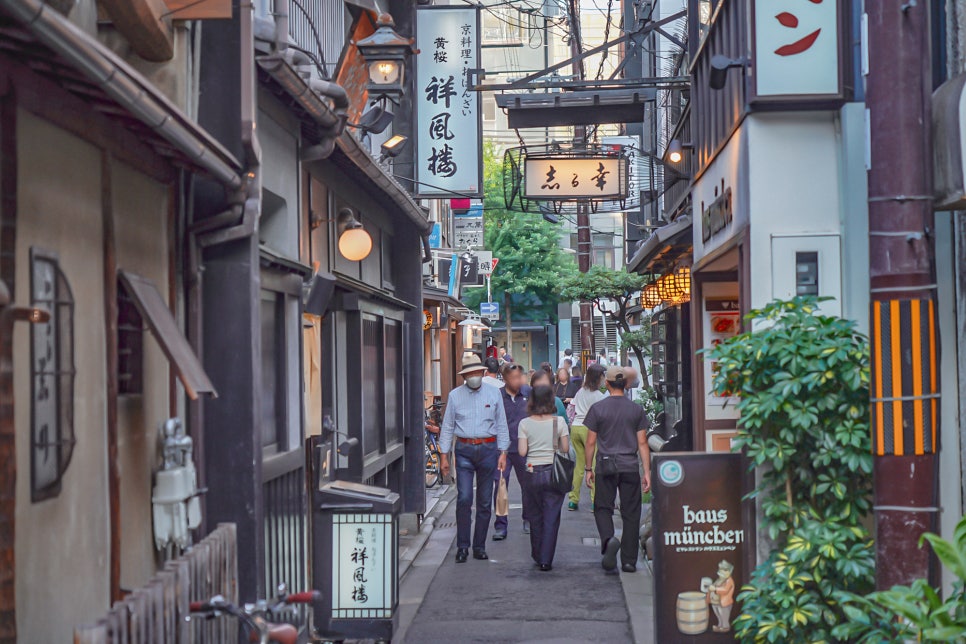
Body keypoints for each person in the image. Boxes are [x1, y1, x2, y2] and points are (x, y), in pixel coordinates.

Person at [439, 354, 510, 563]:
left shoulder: (494, 394)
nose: (473, 377)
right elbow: (447, 426)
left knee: (485, 501)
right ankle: (462, 546)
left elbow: (501, 424)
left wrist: (503, 452)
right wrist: (444, 456)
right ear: (464, 375)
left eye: (476, 373)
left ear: (482, 372)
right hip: (464, 449)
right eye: (469, 373)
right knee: (464, 498)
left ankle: (479, 545)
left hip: (488, 448)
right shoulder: (454, 395)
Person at [584, 366, 651, 573]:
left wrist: (588, 468)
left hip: (605, 463)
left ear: (607, 384)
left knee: (603, 507)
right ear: (627, 384)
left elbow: (591, 442)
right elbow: (642, 443)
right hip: (630, 465)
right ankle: (629, 561)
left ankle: (608, 539)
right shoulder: (636, 409)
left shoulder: (598, 408)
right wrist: (647, 472)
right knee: (631, 512)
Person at [518, 385, 570, 571]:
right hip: (553, 472)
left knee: (535, 515)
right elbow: (564, 449)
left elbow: (522, 451)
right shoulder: (558, 423)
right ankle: (545, 560)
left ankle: (537, 552)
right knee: (551, 516)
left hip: (532, 471)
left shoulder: (525, 423)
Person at [493, 363, 532, 539]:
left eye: (519, 377)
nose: (517, 381)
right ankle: (501, 525)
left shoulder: (529, 393)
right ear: (505, 378)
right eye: (513, 377)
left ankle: (529, 518)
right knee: (501, 485)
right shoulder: (497, 396)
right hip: (503, 449)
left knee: (529, 485)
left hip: (525, 448)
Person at [568, 364, 606, 512]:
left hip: (576, 428)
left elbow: (571, 408)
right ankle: (594, 500)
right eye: (602, 376)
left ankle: (573, 500)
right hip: (590, 429)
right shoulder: (599, 396)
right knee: (593, 465)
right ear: (598, 377)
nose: (604, 379)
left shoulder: (580, 392)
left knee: (579, 465)